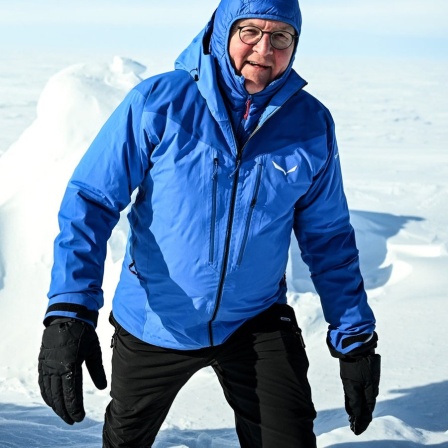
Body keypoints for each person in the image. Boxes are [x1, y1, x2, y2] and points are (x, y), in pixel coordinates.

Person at [38, 0, 381, 446]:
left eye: (281, 37)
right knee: (126, 440)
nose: (264, 48)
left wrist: (354, 336)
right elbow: (91, 201)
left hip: (253, 318)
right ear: (223, 33)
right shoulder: (159, 102)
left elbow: (329, 238)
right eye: (250, 32)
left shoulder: (310, 125)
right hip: (155, 320)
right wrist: (70, 311)